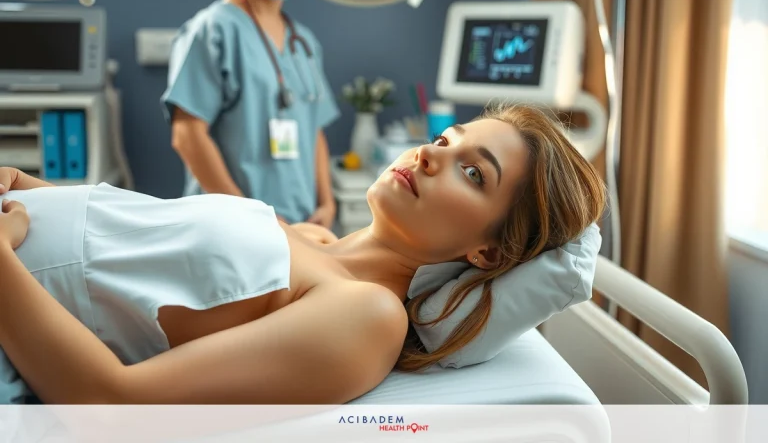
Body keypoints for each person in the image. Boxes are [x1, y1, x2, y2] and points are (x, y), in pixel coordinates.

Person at [0, 103, 606, 405]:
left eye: (473, 172)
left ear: (488, 252)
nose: (429, 153)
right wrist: (31, 186)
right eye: (447, 139)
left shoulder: (366, 316)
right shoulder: (313, 241)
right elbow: (139, 232)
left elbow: (115, 403)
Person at [161, 0, 339, 228]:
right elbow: (187, 135)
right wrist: (250, 217)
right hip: (231, 225)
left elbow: (313, 129)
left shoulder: (304, 42)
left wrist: (327, 203)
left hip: (302, 223)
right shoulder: (213, 30)